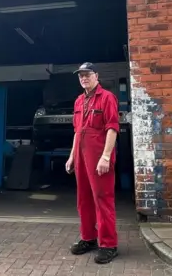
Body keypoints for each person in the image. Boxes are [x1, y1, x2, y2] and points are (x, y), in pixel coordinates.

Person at [66, 62, 120, 264]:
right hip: (81, 155)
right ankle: (89, 238)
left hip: (99, 155)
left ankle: (109, 244)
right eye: (81, 75)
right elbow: (77, 132)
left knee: (102, 198)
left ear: (96, 76)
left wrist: (106, 156)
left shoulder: (107, 98)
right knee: (84, 199)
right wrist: (72, 156)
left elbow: (112, 128)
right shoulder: (79, 101)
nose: (84, 78)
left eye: (87, 74)